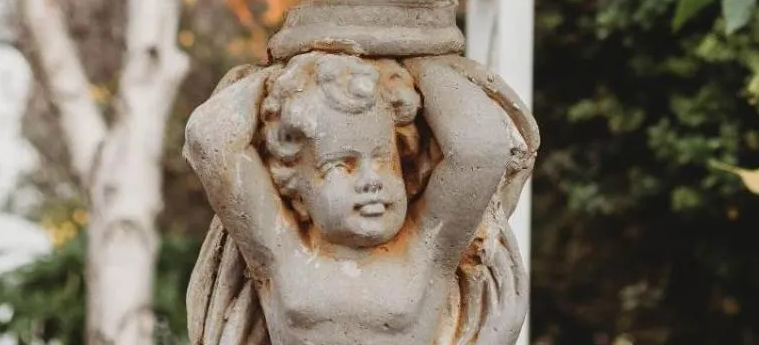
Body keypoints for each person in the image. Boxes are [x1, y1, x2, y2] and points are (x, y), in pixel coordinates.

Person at [184, 52, 529, 345]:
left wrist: (422, 64)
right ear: (294, 183)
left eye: (384, 160)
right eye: (341, 165)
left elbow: (481, 150)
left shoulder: (427, 248)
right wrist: (276, 85)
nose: (371, 181)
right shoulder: (280, 250)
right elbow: (210, 142)